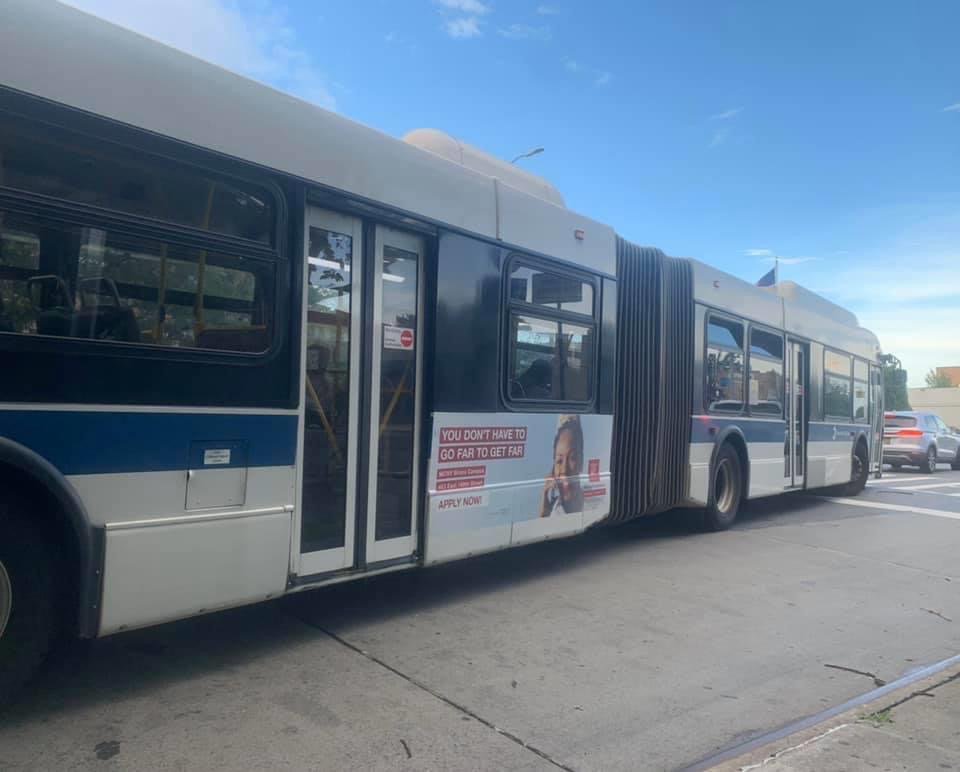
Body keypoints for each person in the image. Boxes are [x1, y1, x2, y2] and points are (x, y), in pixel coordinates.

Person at [540, 414, 585, 517]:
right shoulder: (554, 508)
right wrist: (545, 496)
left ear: (581, 462)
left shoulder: (591, 504)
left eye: (572, 458)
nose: (564, 470)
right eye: (559, 461)